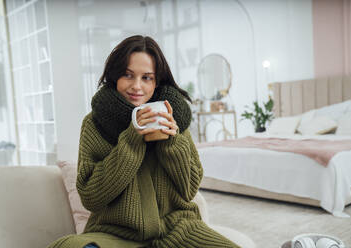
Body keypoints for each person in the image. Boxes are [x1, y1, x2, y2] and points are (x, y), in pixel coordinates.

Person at [48, 35, 239, 248]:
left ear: (157, 81)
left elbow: (189, 189)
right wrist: (132, 139)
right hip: (115, 235)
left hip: (178, 231)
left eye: (147, 77)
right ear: (115, 77)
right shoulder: (95, 123)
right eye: (128, 75)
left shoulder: (172, 117)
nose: (136, 86)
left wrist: (172, 142)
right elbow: (92, 198)